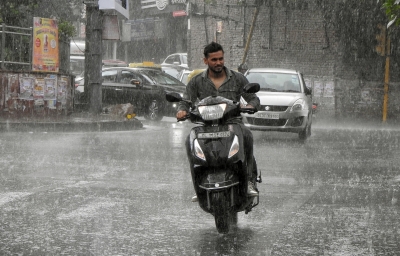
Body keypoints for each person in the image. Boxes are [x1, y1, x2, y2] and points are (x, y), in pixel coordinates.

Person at [176, 42, 260, 202]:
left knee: (247, 136)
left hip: (233, 123)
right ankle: (198, 182)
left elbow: (253, 98)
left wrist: (251, 105)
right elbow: (185, 101)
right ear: (205, 61)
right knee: (189, 141)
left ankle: (249, 180)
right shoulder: (196, 81)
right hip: (206, 126)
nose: (218, 63)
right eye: (214, 60)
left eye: (220, 59)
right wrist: (182, 110)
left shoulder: (237, 78)